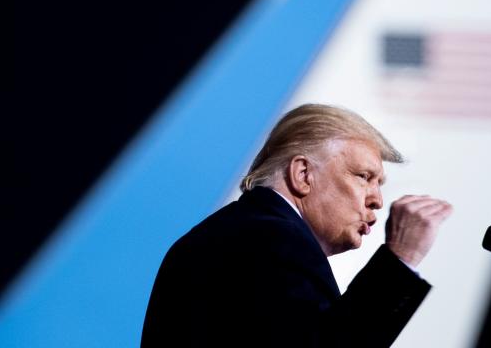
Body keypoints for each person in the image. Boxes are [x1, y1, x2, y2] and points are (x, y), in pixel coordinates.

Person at [141, 103, 452, 347]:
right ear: (303, 174)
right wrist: (399, 260)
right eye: (363, 177)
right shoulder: (273, 240)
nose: (377, 200)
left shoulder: (240, 231)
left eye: (379, 183)